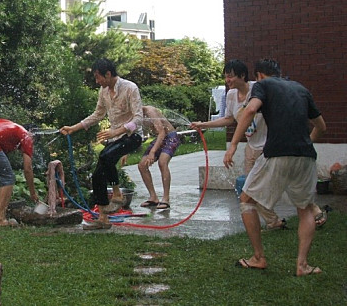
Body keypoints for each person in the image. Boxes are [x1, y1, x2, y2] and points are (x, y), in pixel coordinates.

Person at [223, 59, 326, 276]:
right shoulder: (300, 88)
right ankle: (302, 265)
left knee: (246, 200)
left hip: (277, 152)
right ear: (280, 73)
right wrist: (304, 143)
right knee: (306, 208)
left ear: (259, 75)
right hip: (306, 156)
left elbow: (250, 110)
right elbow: (321, 126)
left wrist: (232, 145)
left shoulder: (262, 86)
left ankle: (258, 258)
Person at [191, 59, 286, 230]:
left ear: (242, 76)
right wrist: (203, 125)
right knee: (251, 189)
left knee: (268, 186)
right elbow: (229, 119)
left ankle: (310, 213)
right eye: (226, 77)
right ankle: (274, 222)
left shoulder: (259, 88)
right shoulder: (231, 95)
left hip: (270, 145)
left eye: (231, 77)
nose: (227, 80)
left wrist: (233, 146)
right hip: (252, 148)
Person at [60, 58, 143, 230]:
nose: (97, 81)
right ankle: (103, 219)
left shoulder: (130, 88)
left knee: (105, 156)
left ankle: (118, 194)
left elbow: (139, 119)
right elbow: (97, 115)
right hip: (115, 138)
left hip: (132, 136)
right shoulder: (103, 91)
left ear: (108, 74)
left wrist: (117, 131)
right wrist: (73, 128)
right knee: (97, 175)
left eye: (98, 77)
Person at [137, 105, 181, 210]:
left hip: (170, 136)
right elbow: (132, 132)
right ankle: (153, 197)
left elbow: (162, 132)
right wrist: (125, 153)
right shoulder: (135, 115)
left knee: (162, 162)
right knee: (142, 165)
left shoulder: (150, 111)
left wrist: (152, 152)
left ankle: (166, 198)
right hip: (159, 138)